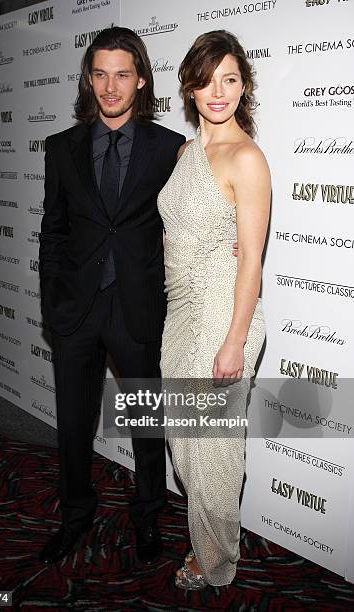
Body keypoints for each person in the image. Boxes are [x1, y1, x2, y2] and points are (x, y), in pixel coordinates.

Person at [38, 26, 185, 565]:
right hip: (76, 309)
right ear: (88, 79)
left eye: (122, 74)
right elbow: (53, 231)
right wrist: (52, 302)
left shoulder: (169, 147)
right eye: (100, 74)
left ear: (141, 80)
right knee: (73, 422)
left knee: (147, 424)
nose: (110, 86)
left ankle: (148, 517)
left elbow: (185, 224)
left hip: (137, 307)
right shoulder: (61, 149)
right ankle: (75, 516)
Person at [158, 30, 270, 590]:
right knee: (187, 446)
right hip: (180, 315)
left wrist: (234, 339)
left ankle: (216, 561)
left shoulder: (246, 157)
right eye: (206, 80)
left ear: (243, 86)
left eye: (229, 78)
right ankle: (210, 538)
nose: (217, 91)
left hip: (224, 319)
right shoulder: (186, 153)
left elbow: (251, 258)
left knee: (215, 455)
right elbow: (177, 232)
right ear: (190, 89)